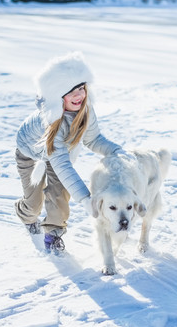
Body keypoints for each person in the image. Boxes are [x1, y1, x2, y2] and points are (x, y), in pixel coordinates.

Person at [14, 52, 124, 254]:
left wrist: (117, 152)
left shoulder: (85, 111)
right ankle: (25, 214)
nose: (79, 95)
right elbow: (63, 165)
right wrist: (85, 199)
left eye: (82, 88)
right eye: (71, 91)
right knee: (34, 205)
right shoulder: (50, 122)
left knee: (60, 196)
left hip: (58, 154)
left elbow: (94, 139)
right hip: (30, 151)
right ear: (58, 95)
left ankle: (53, 235)